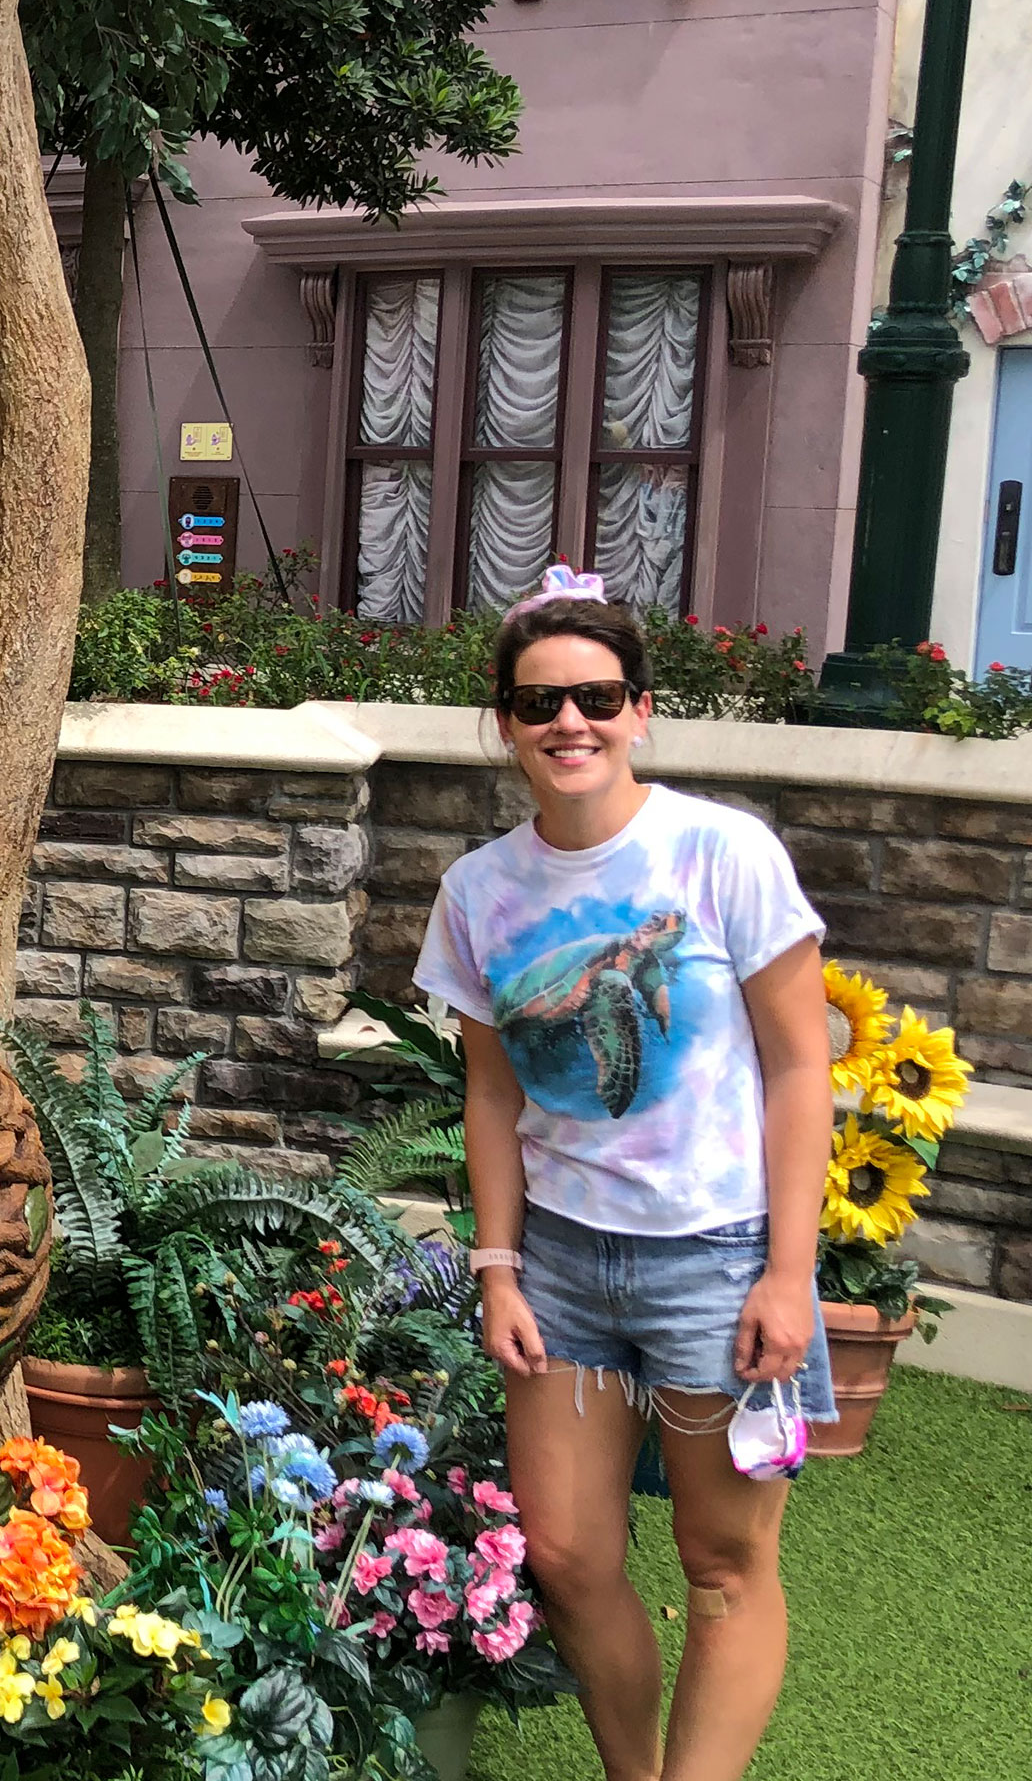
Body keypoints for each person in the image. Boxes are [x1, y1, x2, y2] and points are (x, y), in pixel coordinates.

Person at [413, 566, 834, 1781]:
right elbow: (491, 1092)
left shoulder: (722, 854)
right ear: (505, 723)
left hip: (717, 1254)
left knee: (723, 1561)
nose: (570, 724)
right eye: (540, 704)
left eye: (596, 696)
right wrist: (497, 1267)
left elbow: (802, 1069)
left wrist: (790, 1273)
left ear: (641, 709)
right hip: (561, 1265)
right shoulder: (479, 892)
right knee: (571, 1555)